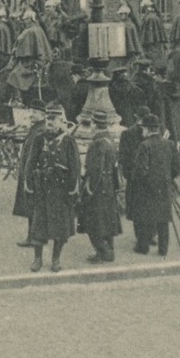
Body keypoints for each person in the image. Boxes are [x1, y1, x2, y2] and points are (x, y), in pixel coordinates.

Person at [23, 105, 82, 272]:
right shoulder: (39, 138)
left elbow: (75, 166)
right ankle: (37, 259)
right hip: (41, 187)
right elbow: (30, 162)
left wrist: (73, 189)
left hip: (60, 190)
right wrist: (28, 183)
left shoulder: (68, 140)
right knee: (38, 226)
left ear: (61, 121)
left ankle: (56, 259)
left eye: (53, 119)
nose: (50, 122)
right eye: (48, 119)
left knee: (60, 228)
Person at [127, 111, 177, 257]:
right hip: (164, 186)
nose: (142, 131)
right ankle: (163, 249)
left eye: (143, 129)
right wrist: (167, 178)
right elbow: (176, 167)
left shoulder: (144, 146)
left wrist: (138, 181)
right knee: (163, 219)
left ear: (148, 129)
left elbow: (140, 170)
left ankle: (143, 247)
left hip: (146, 187)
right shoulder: (169, 144)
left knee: (144, 217)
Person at [77, 107, 123, 263]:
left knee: (92, 221)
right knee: (108, 220)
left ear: (94, 125)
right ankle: (109, 250)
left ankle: (102, 251)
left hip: (97, 187)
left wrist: (88, 189)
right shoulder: (110, 140)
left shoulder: (97, 144)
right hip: (109, 185)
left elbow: (95, 170)